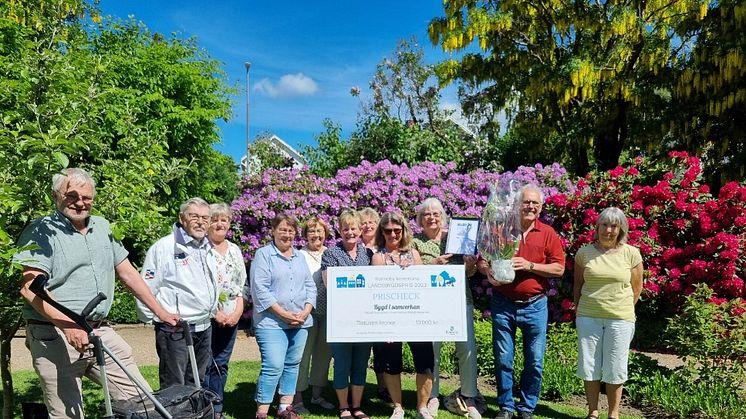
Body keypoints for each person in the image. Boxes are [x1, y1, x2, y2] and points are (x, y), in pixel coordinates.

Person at [14, 168, 179, 419]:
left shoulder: (102, 226)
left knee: (143, 403)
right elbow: (30, 286)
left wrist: (161, 312)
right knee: (67, 414)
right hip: (54, 335)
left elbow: (128, 273)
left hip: (98, 330)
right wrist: (69, 326)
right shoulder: (41, 231)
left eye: (87, 197)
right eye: (72, 196)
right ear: (56, 195)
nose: (80, 203)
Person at [478, 185, 565, 419]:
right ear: (517, 204)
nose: (531, 206)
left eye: (535, 203)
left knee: (535, 361)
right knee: (503, 358)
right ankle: (506, 406)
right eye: (526, 202)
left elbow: (559, 268)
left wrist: (530, 265)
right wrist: (488, 271)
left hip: (535, 305)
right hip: (503, 303)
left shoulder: (547, 233)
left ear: (541, 207)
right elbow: (482, 260)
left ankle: (526, 408)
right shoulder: (502, 229)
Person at [137, 197, 219, 389]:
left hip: (204, 326)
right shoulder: (164, 247)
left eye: (205, 218)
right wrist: (153, 318)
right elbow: (145, 287)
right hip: (175, 329)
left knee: (196, 382)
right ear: (182, 218)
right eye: (194, 216)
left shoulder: (207, 246)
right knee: (174, 385)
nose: (200, 222)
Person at [411, 198, 481, 419]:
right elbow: (411, 274)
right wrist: (432, 266)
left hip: (461, 299)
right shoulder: (414, 242)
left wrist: (470, 265)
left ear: (443, 217)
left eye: (436, 214)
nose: (432, 218)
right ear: (420, 220)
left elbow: (470, 273)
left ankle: (469, 397)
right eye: (426, 215)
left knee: (467, 347)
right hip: (431, 304)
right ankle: (432, 395)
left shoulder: (458, 238)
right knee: (433, 349)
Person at [573, 207, 643, 419]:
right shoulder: (584, 253)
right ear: (597, 227)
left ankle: (614, 414)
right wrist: (580, 311)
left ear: (621, 228)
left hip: (620, 319)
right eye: (604, 224)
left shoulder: (631, 253)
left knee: (615, 366)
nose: (608, 230)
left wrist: (621, 308)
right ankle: (592, 412)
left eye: (614, 225)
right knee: (589, 365)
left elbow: (637, 287)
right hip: (588, 317)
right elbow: (577, 286)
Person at [250, 213, 316, 419]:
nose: (287, 234)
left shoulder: (299, 257)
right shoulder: (263, 255)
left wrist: (305, 312)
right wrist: (284, 314)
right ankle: (262, 411)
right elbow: (260, 289)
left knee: (292, 364)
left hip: (301, 322)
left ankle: (284, 408)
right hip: (271, 322)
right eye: (282, 229)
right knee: (273, 365)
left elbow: (310, 286)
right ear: (273, 231)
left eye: (291, 230)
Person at [372, 212, 433, 419]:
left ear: (403, 231)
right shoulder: (378, 257)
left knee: (425, 362)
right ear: (382, 232)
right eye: (387, 231)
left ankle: (422, 407)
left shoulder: (414, 255)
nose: (392, 234)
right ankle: (398, 407)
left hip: (415, 317)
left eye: (397, 230)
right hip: (390, 318)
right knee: (392, 364)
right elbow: (376, 292)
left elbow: (423, 287)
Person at [321, 210, 374, 419]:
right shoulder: (331, 254)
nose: (350, 232)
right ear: (339, 230)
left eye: (353, 228)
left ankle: (357, 406)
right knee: (342, 363)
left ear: (360, 230)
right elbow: (329, 283)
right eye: (345, 228)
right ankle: (343, 407)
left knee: (360, 363)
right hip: (340, 319)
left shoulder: (368, 255)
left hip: (364, 319)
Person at [203, 203, 248, 419]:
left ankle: (218, 408)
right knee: (205, 363)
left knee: (221, 363)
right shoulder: (201, 249)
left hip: (232, 315)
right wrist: (215, 312)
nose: (220, 224)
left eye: (224, 220)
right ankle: (204, 408)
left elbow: (241, 285)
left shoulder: (235, 250)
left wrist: (238, 311)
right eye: (215, 219)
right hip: (207, 316)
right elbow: (198, 286)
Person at [293, 216, 335, 414]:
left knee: (323, 355)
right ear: (305, 235)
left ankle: (317, 396)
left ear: (326, 234)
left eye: (319, 231)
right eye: (311, 232)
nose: (316, 235)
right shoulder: (298, 255)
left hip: (328, 312)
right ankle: (298, 398)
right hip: (306, 313)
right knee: (302, 356)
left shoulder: (332, 254)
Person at [357, 207, 390, 402]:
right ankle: (354, 389)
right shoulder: (354, 247)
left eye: (372, 222)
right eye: (364, 222)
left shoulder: (383, 247)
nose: (368, 225)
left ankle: (383, 387)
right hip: (360, 307)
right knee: (358, 351)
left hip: (380, 306)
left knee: (381, 350)